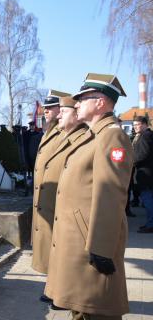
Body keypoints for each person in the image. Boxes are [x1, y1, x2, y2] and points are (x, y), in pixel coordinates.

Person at [45, 73, 133, 319]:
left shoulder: (112, 136)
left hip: (92, 245)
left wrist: (102, 248)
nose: (77, 103)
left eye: (83, 98)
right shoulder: (93, 135)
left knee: (98, 311)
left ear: (101, 102)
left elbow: (111, 194)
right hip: (79, 241)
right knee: (82, 310)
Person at [31, 95, 87, 308]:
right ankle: (55, 288)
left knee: (60, 247)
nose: (46, 111)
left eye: (52, 108)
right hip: (48, 197)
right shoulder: (55, 130)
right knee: (52, 247)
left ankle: (62, 292)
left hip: (60, 200)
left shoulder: (73, 133)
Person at [132, 116, 153, 233]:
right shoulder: (145, 135)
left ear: (145, 124)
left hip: (146, 174)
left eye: (138, 124)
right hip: (147, 174)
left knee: (147, 200)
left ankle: (151, 224)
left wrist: (131, 161)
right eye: (134, 125)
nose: (135, 127)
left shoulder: (146, 136)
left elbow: (144, 154)